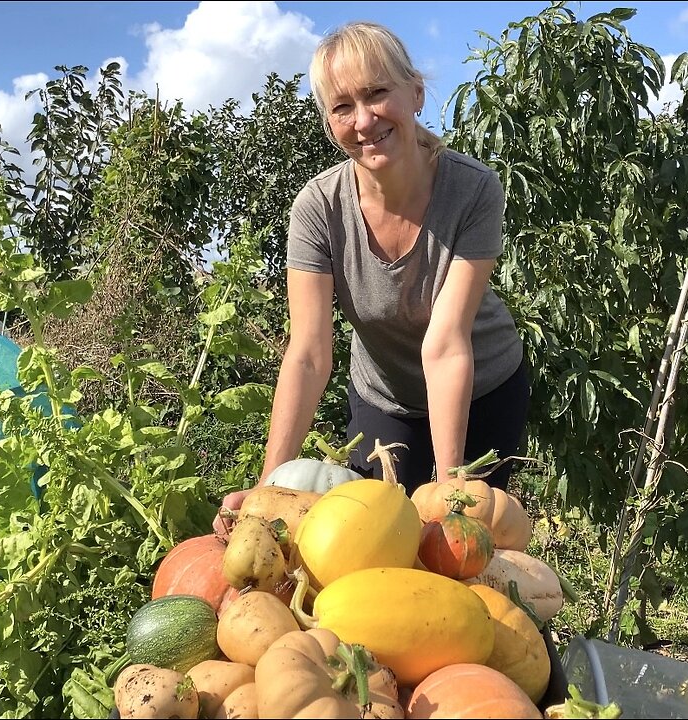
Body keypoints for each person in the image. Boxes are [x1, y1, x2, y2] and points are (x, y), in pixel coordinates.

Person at [218, 21, 529, 526]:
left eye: (377, 93)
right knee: (371, 532)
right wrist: (265, 490)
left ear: (416, 94)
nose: (363, 120)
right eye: (342, 106)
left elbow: (446, 343)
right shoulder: (319, 208)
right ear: (328, 121)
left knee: (462, 545)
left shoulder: (473, 189)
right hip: (384, 397)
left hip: (483, 388)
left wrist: (448, 487)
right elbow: (309, 354)